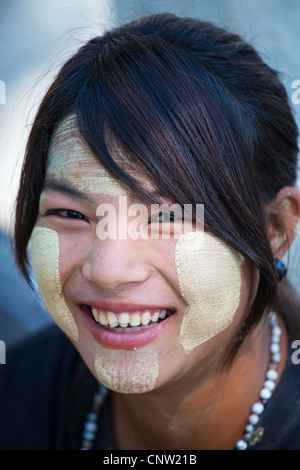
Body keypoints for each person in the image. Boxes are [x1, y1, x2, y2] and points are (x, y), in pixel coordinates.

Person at [1, 12, 300, 451]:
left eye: (166, 217)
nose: (107, 270)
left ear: (275, 228)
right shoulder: (18, 395)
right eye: (70, 214)